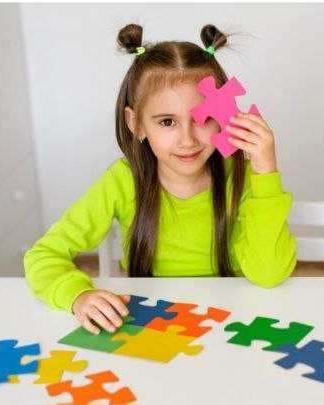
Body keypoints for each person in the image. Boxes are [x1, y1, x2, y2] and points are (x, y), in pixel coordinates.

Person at [24, 23, 297, 335]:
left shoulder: (244, 177)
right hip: (149, 326)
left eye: (204, 119)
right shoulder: (123, 181)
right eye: (167, 122)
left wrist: (265, 171)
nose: (187, 140)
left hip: (233, 323)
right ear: (136, 124)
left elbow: (269, 274)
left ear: (225, 113)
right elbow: (43, 255)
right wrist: (77, 296)